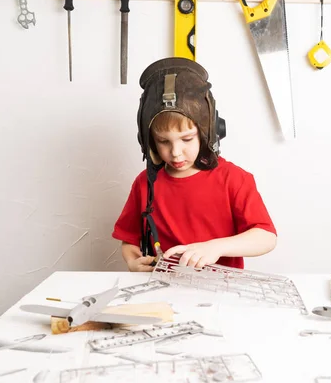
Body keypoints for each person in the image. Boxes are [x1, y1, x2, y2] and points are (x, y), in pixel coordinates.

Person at [112, 57, 277, 272]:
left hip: (221, 293)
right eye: (163, 141)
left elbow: (266, 237)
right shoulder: (145, 183)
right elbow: (129, 239)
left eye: (187, 139)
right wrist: (133, 261)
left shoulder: (233, 179)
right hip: (162, 290)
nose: (175, 152)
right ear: (149, 141)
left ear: (208, 133)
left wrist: (215, 247)